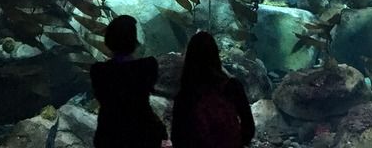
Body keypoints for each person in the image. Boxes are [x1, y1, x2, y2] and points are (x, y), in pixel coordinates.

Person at [90, 15, 167, 148]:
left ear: (108, 41)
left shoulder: (99, 72)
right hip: (142, 133)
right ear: (134, 41)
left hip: (110, 135)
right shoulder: (147, 66)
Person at [171, 30, 255, 148]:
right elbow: (249, 128)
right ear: (216, 55)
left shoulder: (185, 95)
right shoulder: (233, 86)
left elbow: (177, 137)